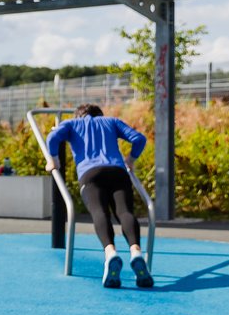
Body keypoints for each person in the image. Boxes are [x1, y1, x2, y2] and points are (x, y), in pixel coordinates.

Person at [44, 103, 153, 289]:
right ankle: (136, 252)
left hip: (90, 174)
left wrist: (54, 160)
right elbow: (139, 139)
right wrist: (130, 159)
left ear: (78, 115)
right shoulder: (111, 121)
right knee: (125, 212)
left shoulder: (71, 124)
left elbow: (53, 137)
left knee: (99, 212)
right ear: (99, 114)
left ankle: (110, 253)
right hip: (118, 171)